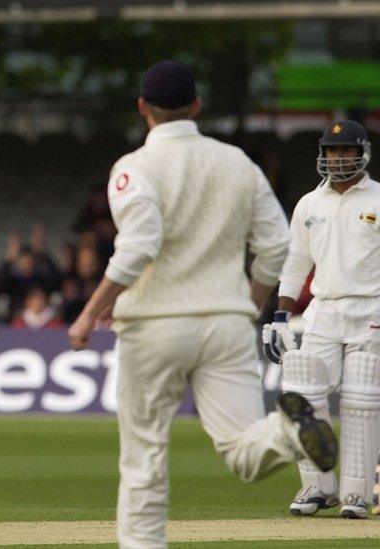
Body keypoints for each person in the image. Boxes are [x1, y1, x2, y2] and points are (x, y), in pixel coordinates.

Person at [66, 60, 338, 549]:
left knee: (144, 457)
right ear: (195, 106)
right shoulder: (238, 163)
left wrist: (90, 311)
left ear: (143, 108)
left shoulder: (134, 168)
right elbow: (277, 247)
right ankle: (290, 434)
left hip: (155, 325)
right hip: (226, 323)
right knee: (242, 449)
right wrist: (248, 303)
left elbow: (140, 245)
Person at [262, 120, 380, 519]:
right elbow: (296, 263)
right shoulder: (309, 205)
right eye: (332, 151)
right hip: (323, 309)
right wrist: (281, 313)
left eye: (345, 151)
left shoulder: (378, 198)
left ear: (361, 153)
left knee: (361, 401)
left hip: (372, 309)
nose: (338, 158)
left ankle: (358, 494)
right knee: (302, 391)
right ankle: (318, 486)